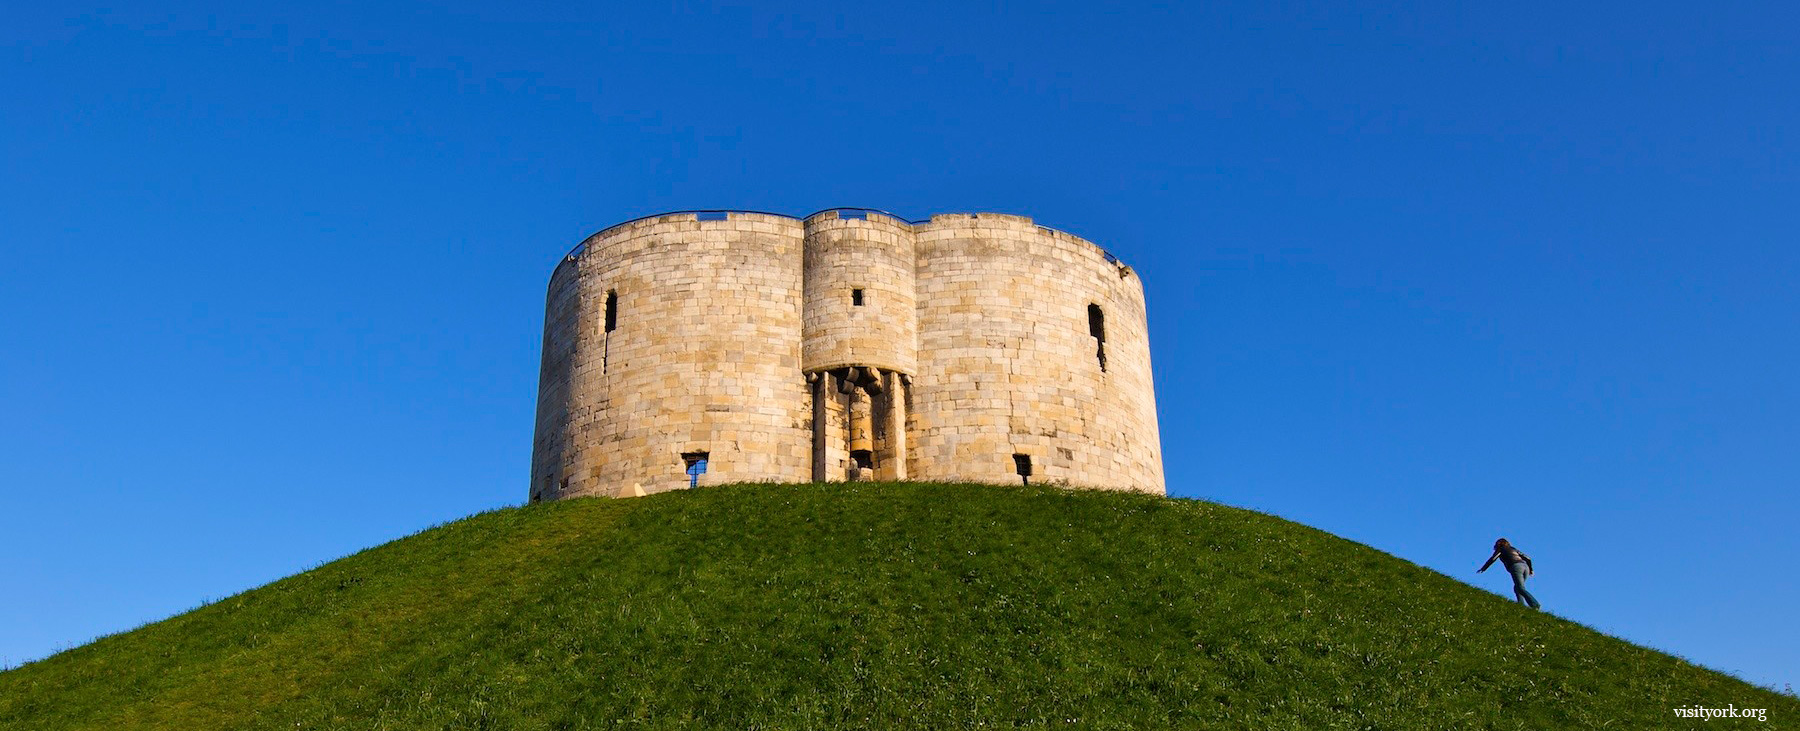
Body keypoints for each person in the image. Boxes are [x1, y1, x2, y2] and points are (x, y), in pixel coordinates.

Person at [1478, 538, 1540, 609]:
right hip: (1526, 567)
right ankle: (1521, 605)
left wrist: (1483, 568)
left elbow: (1493, 559)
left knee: (1520, 587)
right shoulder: (1513, 548)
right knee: (1517, 587)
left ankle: (1535, 604)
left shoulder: (1501, 549)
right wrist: (1531, 569)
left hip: (1516, 567)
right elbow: (1528, 558)